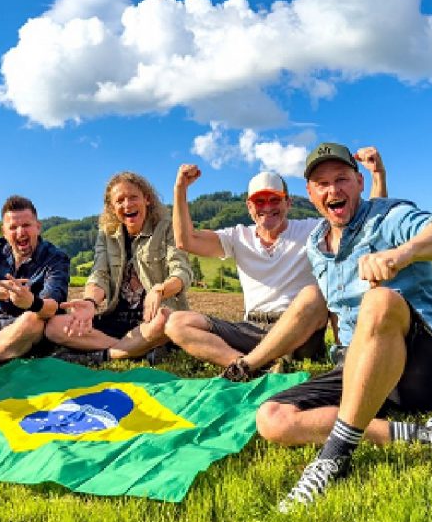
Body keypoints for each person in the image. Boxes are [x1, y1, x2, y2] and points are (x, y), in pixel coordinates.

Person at [250, 142, 432, 511]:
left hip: (425, 369)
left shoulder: (390, 217)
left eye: (342, 179)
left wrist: (401, 254)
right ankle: (430, 436)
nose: (334, 190)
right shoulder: (317, 246)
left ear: (359, 183)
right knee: (272, 419)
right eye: (322, 183)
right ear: (310, 194)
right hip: (362, 366)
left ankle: (332, 457)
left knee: (378, 300)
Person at [166, 148, 387, 379]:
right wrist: (180, 189)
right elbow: (185, 240)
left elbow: (366, 225)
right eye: (259, 201)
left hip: (298, 333)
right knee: (176, 323)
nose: (267, 207)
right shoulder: (237, 237)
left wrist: (377, 175)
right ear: (249, 207)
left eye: (274, 200)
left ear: (288, 203)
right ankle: (251, 365)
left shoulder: (312, 230)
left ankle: (248, 366)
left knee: (314, 294)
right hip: (252, 328)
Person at [45, 171, 192, 365]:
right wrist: (90, 302)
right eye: (120, 200)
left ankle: (103, 354)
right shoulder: (107, 234)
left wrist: (160, 290)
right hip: (117, 319)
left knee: (166, 321)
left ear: (146, 199)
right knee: (54, 326)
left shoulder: (167, 227)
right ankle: (135, 350)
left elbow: (182, 272)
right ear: (112, 208)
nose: (127, 204)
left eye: (133, 197)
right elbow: (100, 274)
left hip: (153, 319)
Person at [0, 195, 70, 364]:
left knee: (32, 320)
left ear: (38, 227)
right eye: (13, 227)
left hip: (29, 334)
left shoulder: (55, 258)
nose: (20, 232)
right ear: (4, 232)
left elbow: (52, 307)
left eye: (26, 225)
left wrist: (31, 302)